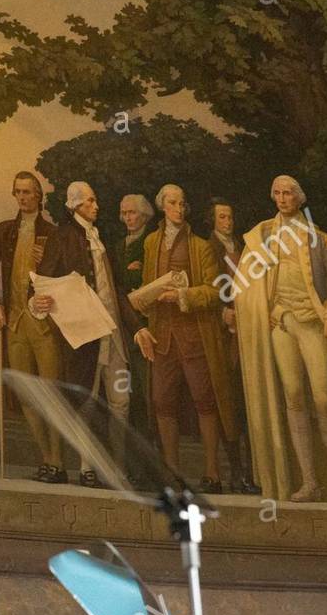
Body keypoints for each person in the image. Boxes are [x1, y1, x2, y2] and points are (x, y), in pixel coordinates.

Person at [230, 175, 327, 502]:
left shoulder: (320, 239)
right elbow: (245, 286)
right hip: (281, 324)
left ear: (299, 198)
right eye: (277, 193)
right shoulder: (262, 237)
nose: (283, 198)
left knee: (324, 398)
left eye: (288, 193)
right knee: (293, 396)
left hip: (314, 323)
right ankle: (309, 481)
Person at [131, 185, 240, 492]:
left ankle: (212, 473)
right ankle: (172, 473)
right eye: (173, 203)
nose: (179, 208)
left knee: (204, 401)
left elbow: (213, 291)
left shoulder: (201, 245)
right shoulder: (151, 242)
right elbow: (144, 285)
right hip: (162, 336)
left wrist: (181, 295)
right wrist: (145, 298)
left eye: (182, 203)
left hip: (194, 338)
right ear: (163, 207)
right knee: (162, 402)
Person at [37, 181, 142, 487]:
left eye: (95, 201)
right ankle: (87, 468)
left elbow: (117, 290)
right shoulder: (62, 237)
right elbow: (42, 282)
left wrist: (137, 328)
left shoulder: (100, 238)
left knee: (121, 401)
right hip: (85, 334)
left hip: (113, 333)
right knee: (89, 400)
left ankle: (118, 468)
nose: (96, 207)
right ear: (75, 206)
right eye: (91, 202)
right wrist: (38, 301)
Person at [0, 172, 64, 482]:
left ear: (39, 196)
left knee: (52, 393)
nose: (22, 197)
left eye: (28, 192)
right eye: (17, 192)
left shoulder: (54, 234)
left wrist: (48, 264)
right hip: (14, 323)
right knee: (27, 395)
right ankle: (47, 459)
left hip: (44, 326)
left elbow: (68, 279)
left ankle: (59, 463)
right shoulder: (4, 231)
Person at [206, 197, 260, 494]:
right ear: (213, 220)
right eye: (222, 217)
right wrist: (221, 312)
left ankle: (251, 474)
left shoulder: (241, 247)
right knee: (228, 406)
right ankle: (236, 473)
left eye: (230, 216)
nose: (227, 221)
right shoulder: (207, 248)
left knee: (246, 405)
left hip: (246, 331)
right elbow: (209, 287)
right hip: (222, 335)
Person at [111, 194, 156, 439]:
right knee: (127, 396)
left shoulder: (152, 242)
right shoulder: (118, 246)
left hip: (146, 325)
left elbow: (145, 281)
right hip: (123, 327)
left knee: (147, 393)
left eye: (132, 213)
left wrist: (129, 277)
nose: (127, 217)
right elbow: (115, 283)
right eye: (124, 213)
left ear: (144, 215)